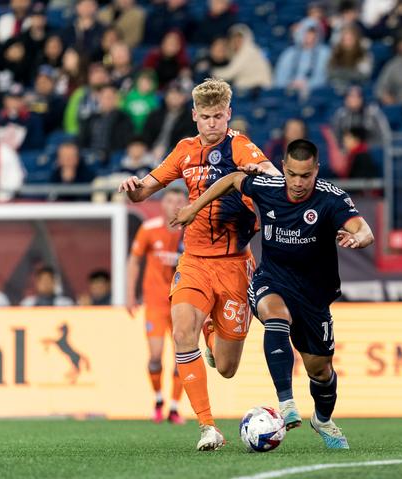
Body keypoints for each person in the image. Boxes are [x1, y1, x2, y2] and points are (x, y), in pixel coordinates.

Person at [171, 139, 374, 449]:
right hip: (272, 279)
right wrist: (193, 208)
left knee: (320, 370)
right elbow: (231, 179)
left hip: (313, 295)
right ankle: (286, 403)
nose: (297, 182)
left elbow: (364, 229)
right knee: (274, 314)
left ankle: (321, 419)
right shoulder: (268, 187)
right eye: (291, 174)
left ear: (316, 171)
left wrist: (359, 238)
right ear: (283, 169)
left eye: (305, 176)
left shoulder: (330, 198)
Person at [117, 78, 281, 451]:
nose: (211, 123)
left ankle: (211, 333)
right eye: (205, 116)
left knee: (226, 367)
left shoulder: (240, 146)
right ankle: (208, 427)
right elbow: (145, 190)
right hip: (194, 261)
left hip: (235, 265)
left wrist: (260, 177)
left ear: (229, 115)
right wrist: (132, 189)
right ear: (194, 116)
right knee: (181, 329)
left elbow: (272, 176)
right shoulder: (184, 150)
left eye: (218, 116)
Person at [126, 188, 188, 424]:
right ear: (162, 205)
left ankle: (174, 406)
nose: (174, 205)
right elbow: (134, 260)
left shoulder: (192, 231)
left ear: (187, 203)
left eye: (179, 201)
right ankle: (158, 399)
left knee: (182, 355)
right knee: (155, 356)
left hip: (183, 303)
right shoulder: (149, 229)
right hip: (155, 302)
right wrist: (130, 294)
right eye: (170, 200)